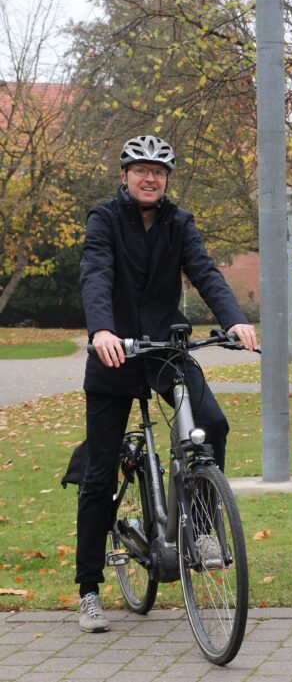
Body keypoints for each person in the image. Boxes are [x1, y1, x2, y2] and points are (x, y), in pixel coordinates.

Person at [76, 135, 257, 632]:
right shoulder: (104, 219)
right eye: (141, 170)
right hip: (114, 355)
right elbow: (95, 272)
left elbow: (205, 272)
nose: (150, 177)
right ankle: (89, 590)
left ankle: (201, 531)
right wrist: (102, 330)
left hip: (164, 351)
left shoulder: (179, 223)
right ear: (125, 177)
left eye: (158, 170)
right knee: (99, 474)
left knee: (212, 424)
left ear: (167, 179)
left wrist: (235, 320)